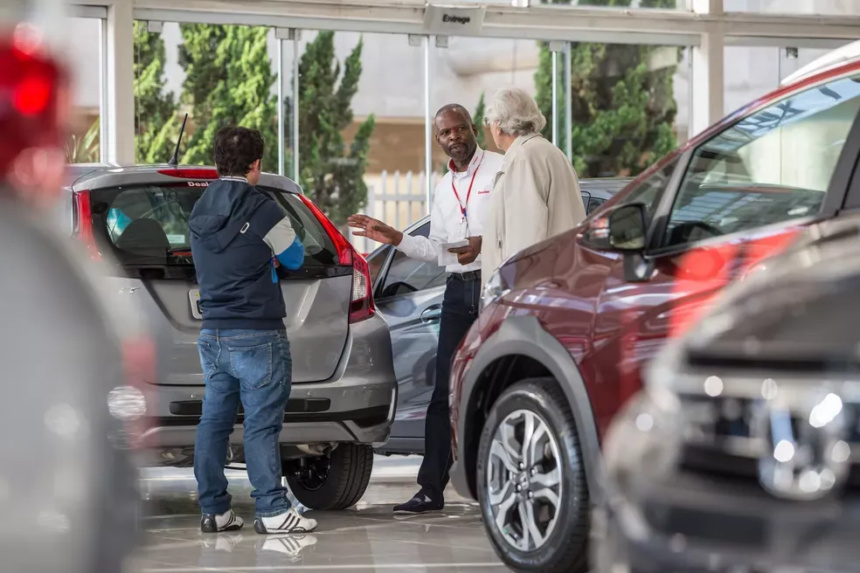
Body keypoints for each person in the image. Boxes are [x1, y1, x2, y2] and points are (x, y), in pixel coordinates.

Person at [348, 105, 504, 514]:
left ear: (473, 129)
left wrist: (484, 243)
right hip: (457, 293)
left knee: (498, 386)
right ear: (438, 140)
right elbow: (436, 252)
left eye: (460, 128)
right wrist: (395, 236)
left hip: (496, 289)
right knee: (444, 393)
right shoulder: (442, 187)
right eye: (445, 132)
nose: (454, 136)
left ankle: (496, 483)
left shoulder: (502, 170)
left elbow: (518, 229)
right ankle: (430, 489)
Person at [189, 126, 316, 535]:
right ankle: (273, 511)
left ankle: (215, 510)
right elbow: (295, 257)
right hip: (258, 332)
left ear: (217, 162)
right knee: (261, 423)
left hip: (213, 334)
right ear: (255, 165)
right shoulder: (262, 207)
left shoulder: (199, 208)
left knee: (214, 422)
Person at [481, 87, 586, 287]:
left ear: (498, 125)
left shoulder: (524, 157)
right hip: (557, 280)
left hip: (529, 288)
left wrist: (514, 294)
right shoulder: (549, 151)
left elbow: (525, 236)